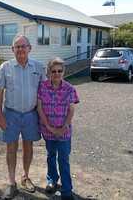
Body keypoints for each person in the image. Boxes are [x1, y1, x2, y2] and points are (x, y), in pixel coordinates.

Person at [0, 34, 46, 199]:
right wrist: (0, 116)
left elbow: (43, 93)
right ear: (12, 49)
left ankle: (25, 176)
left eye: (24, 46)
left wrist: (43, 116)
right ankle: (11, 182)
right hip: (11, 114)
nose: (21, 49)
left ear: (30, 48)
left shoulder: (38, 67)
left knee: (28, 147)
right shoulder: (5, 67)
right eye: (17, 46)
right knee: (11, 148)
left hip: (31, 115)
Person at [37, 57, 79, 200]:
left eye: (59, 71)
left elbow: (71, 110)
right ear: (49, 72)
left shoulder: (69, 88)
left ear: (63, 71)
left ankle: (67, 190)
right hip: (48, 131)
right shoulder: (42, 86)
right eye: (53, 71)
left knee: (63, 159)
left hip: (64, 131)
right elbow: (39, 108)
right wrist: (48, 127)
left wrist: (64, 126)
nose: (56, 74)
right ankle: (52, 180)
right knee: (50, 156)